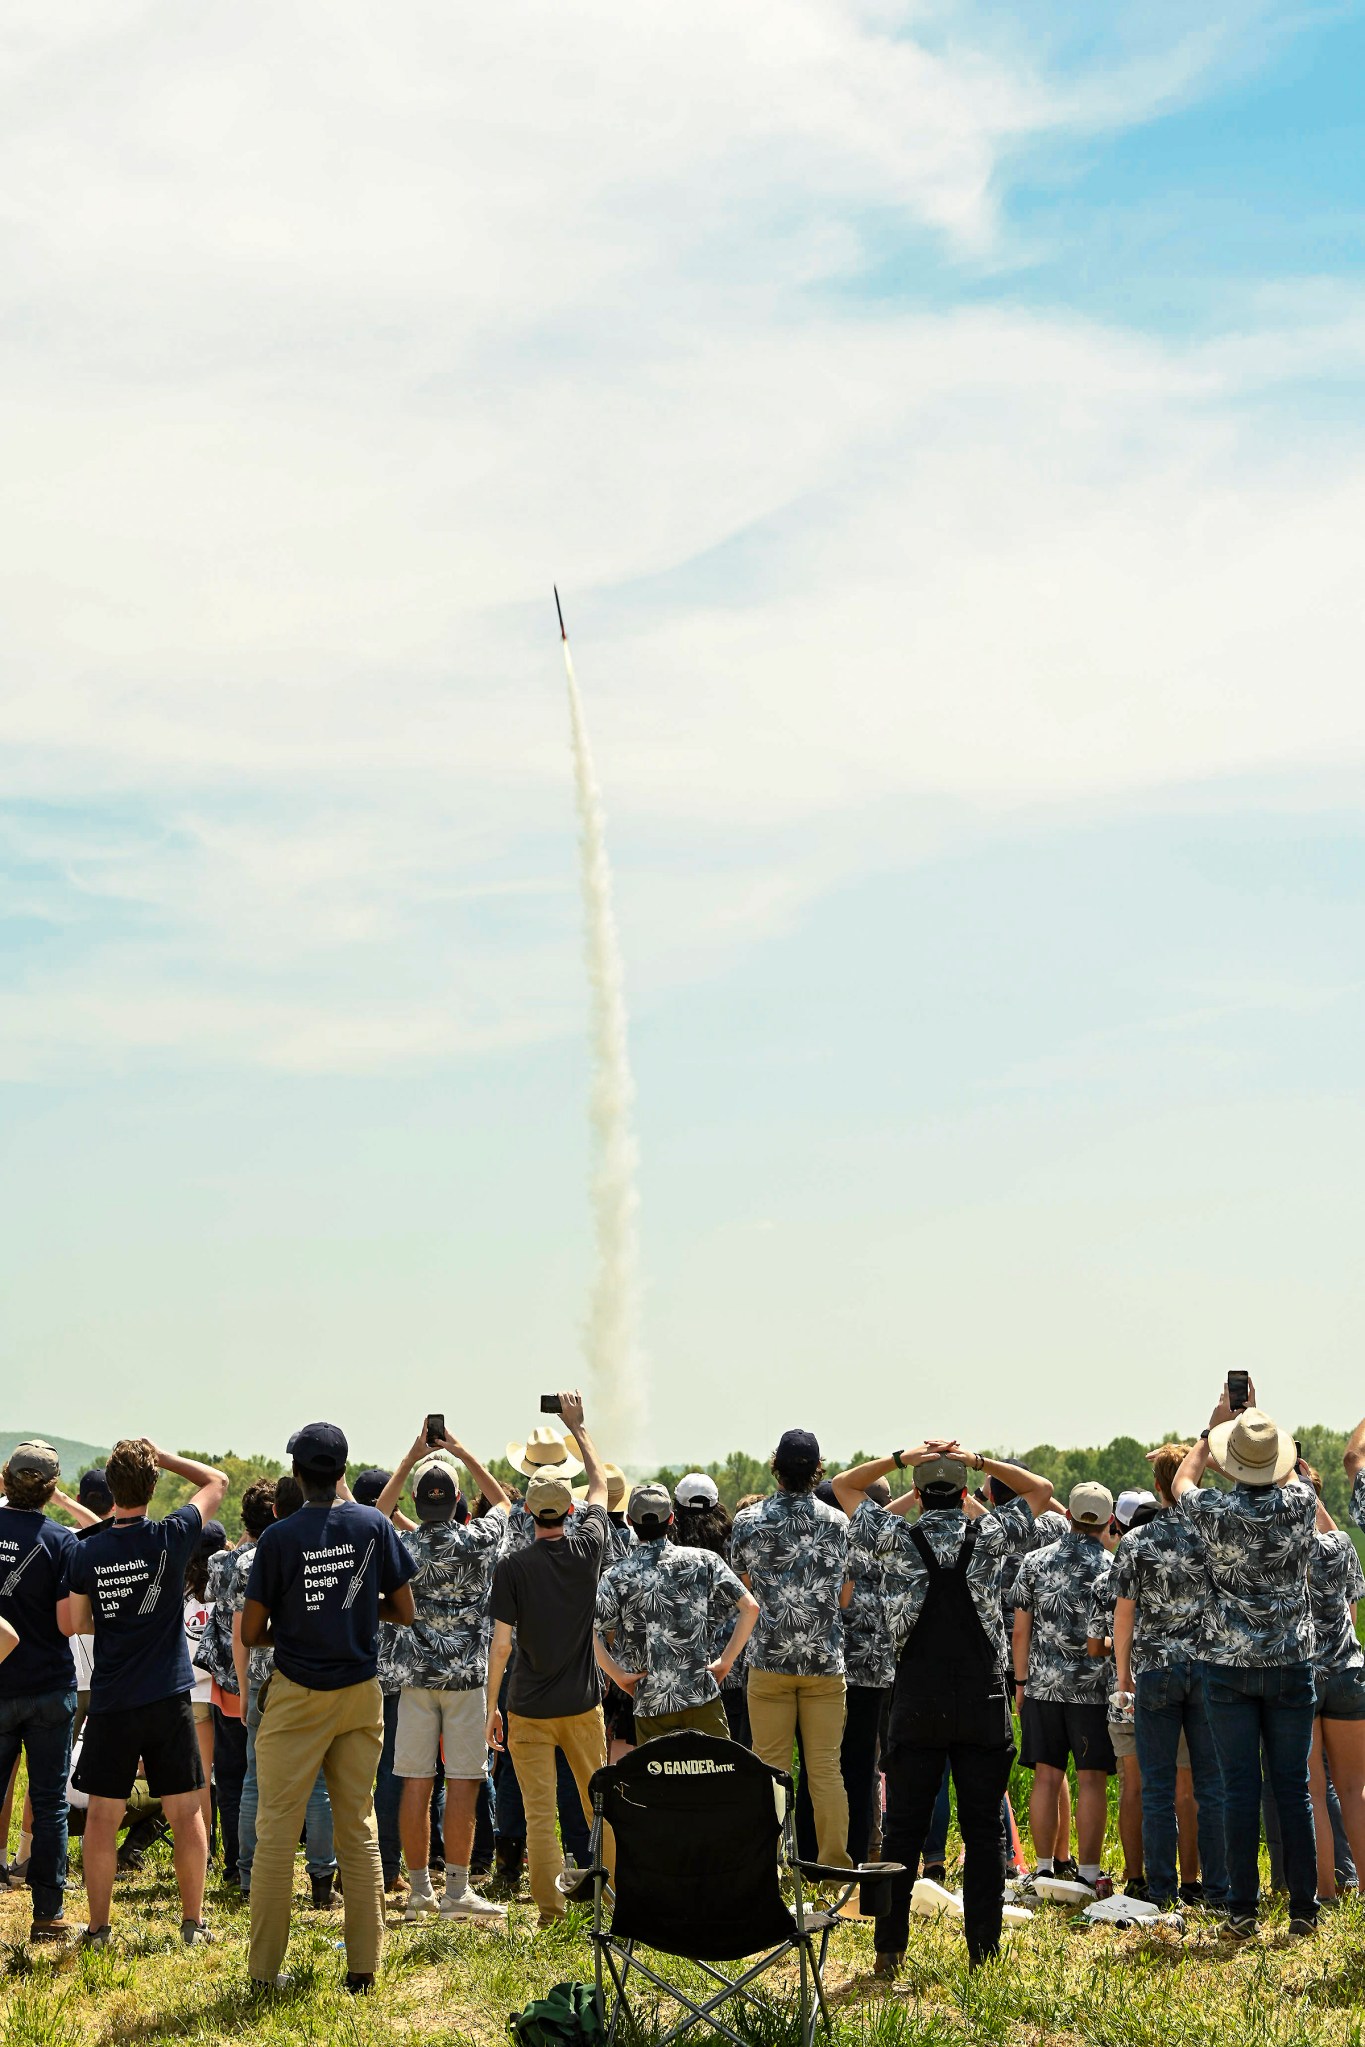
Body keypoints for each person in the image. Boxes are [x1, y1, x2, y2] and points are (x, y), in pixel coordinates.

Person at [837, 1441, 1054, 1972]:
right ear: (962, 1493)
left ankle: (889, 1950)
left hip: (914, 1700)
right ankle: (983, 1950)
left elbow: (844, 1486)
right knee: (983, 1831)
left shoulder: (894, 1536)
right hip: (981, 1701)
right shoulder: (990, 1536)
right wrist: (979, 1462)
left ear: (918, 1493)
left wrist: (900, 1460)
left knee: (903, 1831)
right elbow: (1042, 1491)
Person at [242, 1422, 416, 1994]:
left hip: (297, 1695)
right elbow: (406, 1610)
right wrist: (359, 1618)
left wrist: (291, 1629)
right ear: (342, 1472)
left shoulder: (278, 1538)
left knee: (275, 1834)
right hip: (360, 1694)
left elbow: (250, 1632)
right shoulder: (372, 1526)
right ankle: (362, 1970)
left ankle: (265, 1973)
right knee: (359, 1830)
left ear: (296, 1474)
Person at [61, 1437, 229, 1946]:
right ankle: (193, 1923)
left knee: (103, 1816)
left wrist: (110, 1621)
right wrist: (166, 1457)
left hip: (113, 1699)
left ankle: (98, 1928)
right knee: (185, 1811)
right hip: (169, 1695)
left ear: (109, 1489)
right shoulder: (173, 1534)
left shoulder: (86, 1549)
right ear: (153, 1485)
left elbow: (72, 1623)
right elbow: (215, 1482)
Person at [1173, 1384, 1317, 1938]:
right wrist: (1256, 1423)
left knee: (1237, 1788)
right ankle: (1303, 1909)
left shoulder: (1213, 1511)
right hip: (1289, 1662)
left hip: (1228, 1667)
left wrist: (1211, 1432)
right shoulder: (1301, 1503)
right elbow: (1297, 1472)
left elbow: (1184, 1482)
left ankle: (1242, 1909)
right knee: (1292, 1787)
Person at [485, 1391, 615, 1928]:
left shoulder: (513, 1567)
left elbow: (500, 1645)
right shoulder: (589, 1551)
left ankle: (549, 1912)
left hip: (528, 1707)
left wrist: (493, 1706)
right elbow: (603, 1487)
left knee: (540, 1815)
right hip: (583, 1704)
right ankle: (613, 1897)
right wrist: (578, 1429)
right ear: (569, 1509)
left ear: (528, 1510)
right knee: (596, 1808)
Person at [377, 1421, 511, 1923]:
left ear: (416, 1500)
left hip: (414, 1679)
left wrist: (412, 1457)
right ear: (456, 1499)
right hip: (468, 1680)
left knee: (416, 1781)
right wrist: (458, 1449)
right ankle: (457, 1890)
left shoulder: (400, 1546)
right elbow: (503, 1503)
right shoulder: (477, 1541)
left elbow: (376, 1515)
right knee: (463, 1781)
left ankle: (418, 1890)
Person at [1106, 1445, 1226, 1915]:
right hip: (1211, 1668)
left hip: (1155, 1669)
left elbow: (1124, 1615)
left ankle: (1160, 1892)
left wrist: (1122, 1676)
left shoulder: (1137, 1543)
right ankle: (1217, 1891)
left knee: (1156, 1787)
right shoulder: (1215, 1533)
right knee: (1209, 1787)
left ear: (1158, 1488)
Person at [731, 1429, 853, 1870]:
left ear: (775, 1467)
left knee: (770, 1771)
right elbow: (843, 1597)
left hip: (768, 1661)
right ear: (817, 1470)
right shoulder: (840, 1524)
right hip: (824, 1664)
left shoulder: (748, 1522)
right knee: (826, 1771)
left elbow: (741, 1591)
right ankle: (834, 1868)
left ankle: (771, 1866)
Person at [225, 1478, 339, 1908]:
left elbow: (243, 1635)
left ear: (274, 1512)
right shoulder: (321, 1552)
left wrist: (241, 1688)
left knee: (256, 1779)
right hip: (310, 1673)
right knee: (318, 1783)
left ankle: (250, 1876)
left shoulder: (246, 1562)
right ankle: (322, 1880)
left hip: (261, 1682)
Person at [1012, 1480, 1117, 1894]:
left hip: (1043, 1686)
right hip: (1093, 1691)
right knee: (1092, 1781)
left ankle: (1041, 1869)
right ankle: (1089, 1873)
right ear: (1108, 1521)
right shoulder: (1111, 1568)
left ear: (1068, 1516)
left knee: (1046, 1777)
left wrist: (1021, 1683)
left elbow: (1020, 1632)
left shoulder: (1035, 1562)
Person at [595, 1482, 757, 1745]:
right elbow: (751, 1607)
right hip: (701, 1694)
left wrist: (618, 1675)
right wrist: (725, 1663)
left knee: (660, 1784)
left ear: (629, 1521)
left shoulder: (616, 1576)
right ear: (671, 1519)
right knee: (716, 1778)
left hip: (650, 1701)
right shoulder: (705, 1561)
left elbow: (588, 1631)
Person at [0, 1440, 79, 1941]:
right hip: (49, 1685)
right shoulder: (61, 1541)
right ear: (52, 1491)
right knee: (49, 1802)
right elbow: (68, 1624)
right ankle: (48, 1916)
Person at [1085, 1490, 1158, 1897]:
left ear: (1117, 1526)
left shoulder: (1105, 1580)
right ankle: (1189, 1878)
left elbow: (1096, 1646)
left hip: (1125, 1693)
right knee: (1183, 1786)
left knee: (1132, 1787)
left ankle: (1135, 1876)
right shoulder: (1178, 1564)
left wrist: (1126, 1644)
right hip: (1173, 1685)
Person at [1301, 1467, 1365, 1901]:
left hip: (1303, 1673)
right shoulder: (1339, 1545)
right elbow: (1353, 1614)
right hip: (1347, 1670)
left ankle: (1324, 1891)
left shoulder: (1278, 1547)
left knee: (1313, 1791)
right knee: (1354, 1788)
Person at [670, 1476, 751, 1744]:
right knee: (730, 1748)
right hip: (727, 1664)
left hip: (678, 1664)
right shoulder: (733, 1540)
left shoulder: (670, 1544)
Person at [184, 1520, 227, 1851]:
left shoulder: (175, 1585)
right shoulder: (230, 1581)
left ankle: (205, 1848)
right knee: (235, 1773)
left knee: (199, 1777)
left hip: (192, 1693)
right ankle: (238, 1848)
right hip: (227, 1689)